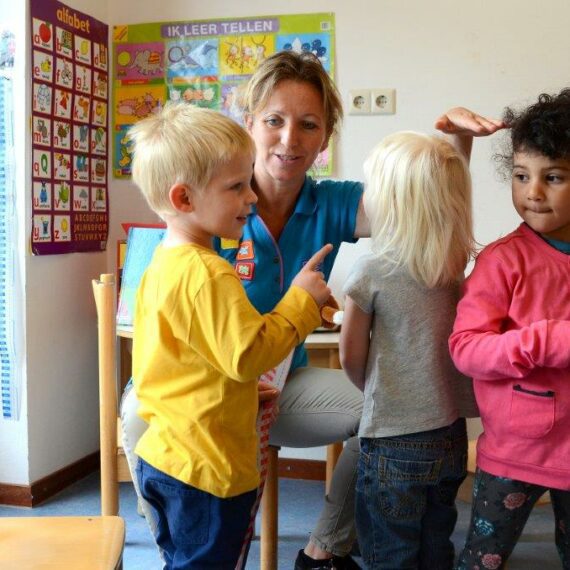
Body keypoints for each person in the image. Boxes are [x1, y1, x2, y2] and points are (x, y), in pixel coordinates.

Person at [121, 50, 504, 569]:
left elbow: (423, 201)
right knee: (140, 420)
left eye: (308, 125)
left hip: (285, 380)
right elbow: (156, 326)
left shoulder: (332, 201)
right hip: (206, 393)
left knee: (387, 411)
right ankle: (179, 543)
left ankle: (323, 548)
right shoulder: (209, 203)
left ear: (326, 138)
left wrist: (455, 143)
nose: (289, 139)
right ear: (250, 122)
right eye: (274, 121)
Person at [127, 101, 334, 569]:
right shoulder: (208, 273)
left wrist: (233, 389)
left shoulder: (164, 263)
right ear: (184, 199)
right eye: (237, 187)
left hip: (167, 457)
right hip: (207, 469)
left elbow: (186, 361)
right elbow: (249, 354)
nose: (252, 198)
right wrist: (302, 301)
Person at [339, 132, 479, 569]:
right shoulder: (455, 265)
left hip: (394, 436)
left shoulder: (371, 270)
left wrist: (376, 387)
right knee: (436, 540)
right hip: (451, 435)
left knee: (391, 548)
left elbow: (350, 356)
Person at [449, 89, 570, 569]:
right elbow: (466, 349)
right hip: (516, 453)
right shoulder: (502, 260)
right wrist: (553, 340)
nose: (532, 192)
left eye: (553, 177)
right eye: (521, 176)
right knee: (483, 561)